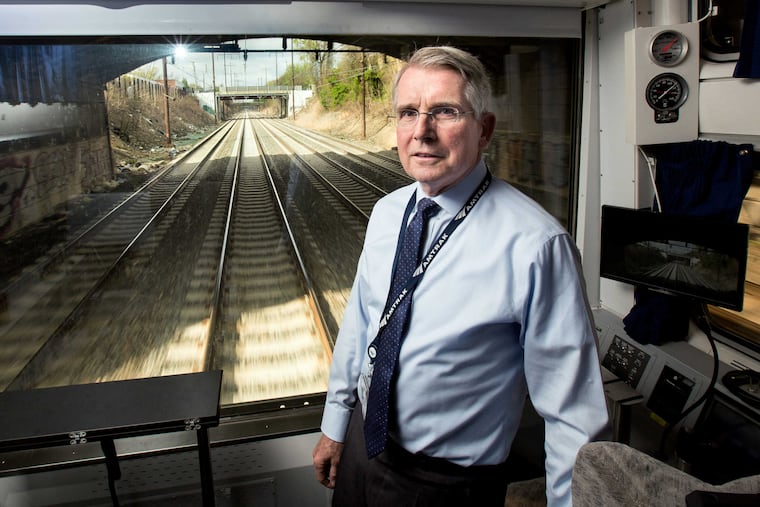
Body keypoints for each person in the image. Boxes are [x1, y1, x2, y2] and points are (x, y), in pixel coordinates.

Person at [312, 45, 609, 507]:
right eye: (408, 113)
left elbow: (574, 413)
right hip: (362, 450)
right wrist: (335, 423)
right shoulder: (388, 214)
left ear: (484, 129)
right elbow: (362, 323)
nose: (422, 132)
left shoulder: (535, 245)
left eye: (444, 112)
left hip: (446, 486)